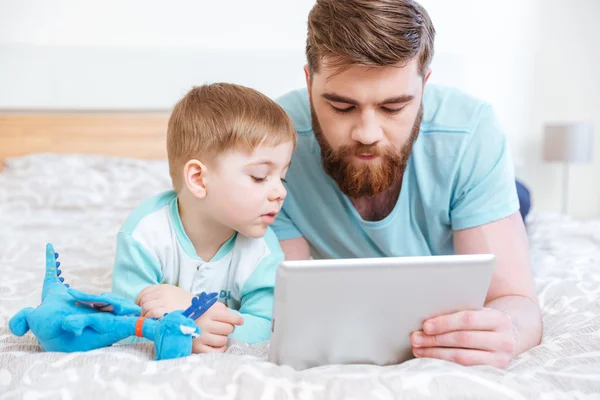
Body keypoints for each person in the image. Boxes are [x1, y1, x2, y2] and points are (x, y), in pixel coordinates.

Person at [272, 0, 542, 368]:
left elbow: (515, 301)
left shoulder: (470, 132)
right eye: (341, 107)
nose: (367, 134)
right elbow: (280, 301)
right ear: (308, 82)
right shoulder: (273, 143)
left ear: (424, 85)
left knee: (519, 202)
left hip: (462, 201)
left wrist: (507, 329)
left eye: (393, 107)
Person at [111, 83, 296, 353]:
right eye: (259, 176)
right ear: (199, 179)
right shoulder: (145, 235)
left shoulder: (263, 250)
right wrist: (189, 326)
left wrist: (195, 319)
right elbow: (122, 325)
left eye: (283, 177)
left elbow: (269, 326)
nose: (281, 192)